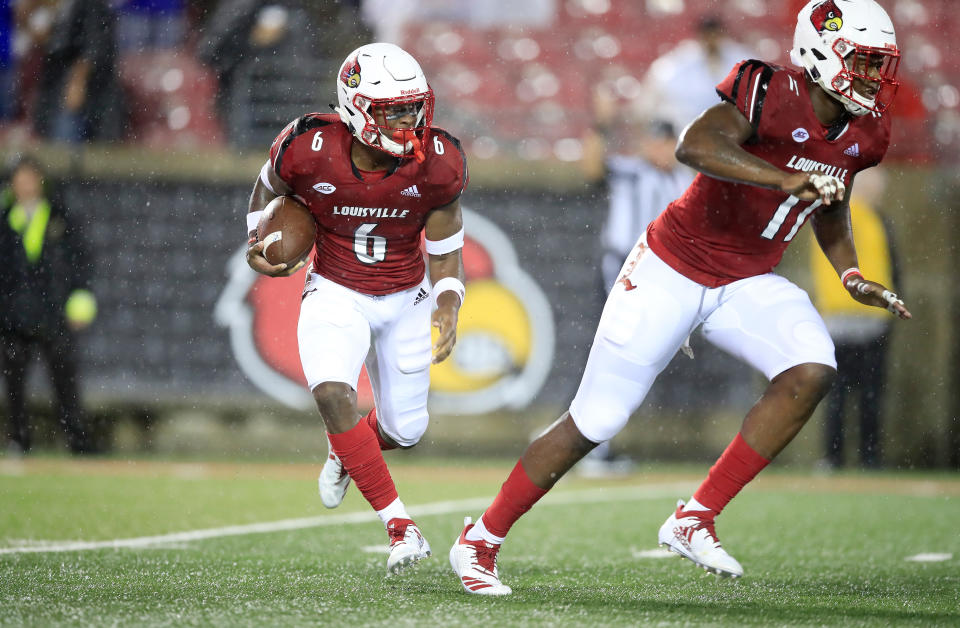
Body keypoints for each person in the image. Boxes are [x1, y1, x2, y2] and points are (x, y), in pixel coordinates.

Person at [449, 0, 911, 595]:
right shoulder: (766, 88)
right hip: (673, 265)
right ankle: (480, 540)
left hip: (746, 279)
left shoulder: (866, 129)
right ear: (822, 53)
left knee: (812, 368)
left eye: (880, 64)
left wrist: (851, 274)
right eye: (864, 61)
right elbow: (694, 146)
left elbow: (831, 198)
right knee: (596, 420)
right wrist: (780, 177)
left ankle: (694, 518)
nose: (874, 77)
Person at [244, 42, 467, 575]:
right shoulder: (306, 145)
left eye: (414, 107)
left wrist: (448, 302)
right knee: (330, 392)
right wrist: (257, 242)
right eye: (394, 110)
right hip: (336, 289)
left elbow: (446, 245)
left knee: (405, 431)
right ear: (358, 107)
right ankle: (400, 526)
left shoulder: (438, 160)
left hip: (407, 295)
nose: (410, 120)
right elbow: (266, 188)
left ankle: (347, 451)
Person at [578, 90, 693, 474]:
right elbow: (593, 167)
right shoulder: (632, 171)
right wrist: (601, 124)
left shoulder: (683, 178)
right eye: (653, 141)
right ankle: (593, 444)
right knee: (613, 351)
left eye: (664, 141)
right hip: (624, 271)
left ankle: (593, 440)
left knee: (630, 359)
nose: (658, 149)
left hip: (661, 276)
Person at [1, 155, 98, 455]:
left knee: (65, 383)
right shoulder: (5, 221)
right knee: (14, 385)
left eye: (31, 178)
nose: (26, 184)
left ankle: (77, 441)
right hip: (13, 316)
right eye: (20, 178)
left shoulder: (60, 217)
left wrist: (79, 297)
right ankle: (19, 440)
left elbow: (80, 261)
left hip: (54, 314)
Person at [809, 167, 897, 469]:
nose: (878, 189)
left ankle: (862, 457)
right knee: (845, 394)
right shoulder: (844, 214)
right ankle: (843, 457)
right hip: (844, 317)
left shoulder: (874, 218)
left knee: (864, 394)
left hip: (868, 318)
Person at [640, 14, 754, 132]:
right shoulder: (682, 61)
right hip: (689, 129)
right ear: (700, 37)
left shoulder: (742, 58)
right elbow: (659, 82)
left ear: (722, 36)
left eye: (714, 35)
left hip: (731, 130)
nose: (711, 41)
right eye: (707, 36)